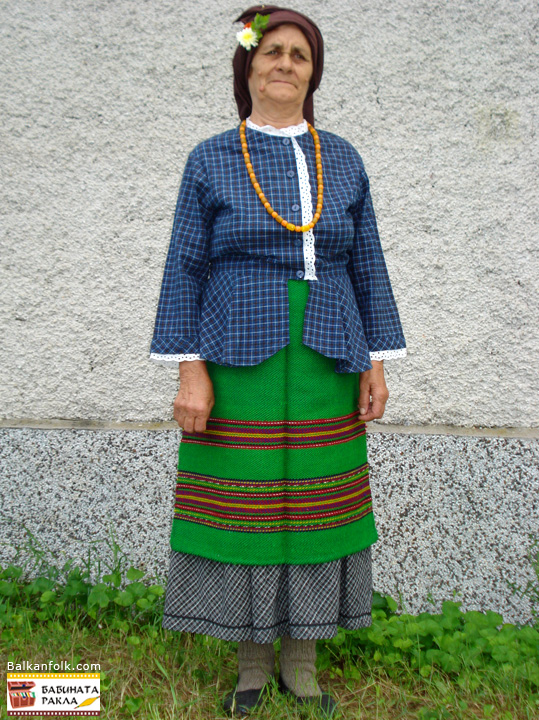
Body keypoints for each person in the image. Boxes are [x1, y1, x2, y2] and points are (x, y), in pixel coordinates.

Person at [150, 4, 406, 717]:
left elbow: (368, 266)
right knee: (246, 510)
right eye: (272, 51)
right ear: (248, 66)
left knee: (316, 507)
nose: (285, 63)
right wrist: (188, 368)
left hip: (328, 350)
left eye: (299, 54)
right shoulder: (210, 157)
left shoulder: (343, 158)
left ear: (312, 71)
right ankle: (250, 665)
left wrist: (376, 360)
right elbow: (185, 267)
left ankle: (303, 661)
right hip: (237, 353)